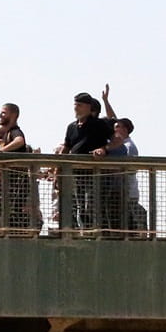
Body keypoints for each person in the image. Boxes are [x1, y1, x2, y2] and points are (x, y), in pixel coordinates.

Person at [58, 92, 116, 230]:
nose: (76, 108)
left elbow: (117, 140)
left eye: (80, 105)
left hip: (95, 174)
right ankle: (86, 233)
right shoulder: (71, 127)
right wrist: (57, 169)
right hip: (77, 174)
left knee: (93, 205)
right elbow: (66, 148)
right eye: (75, 105)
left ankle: (101, 234)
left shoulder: (99, 124)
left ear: (88, 107)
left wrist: (104, 149)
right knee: (80, 207)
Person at [0, 103, 35, 231]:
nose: (0, 115)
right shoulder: (8, 133)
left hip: (17, 181)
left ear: (13, 115)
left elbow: (19, 141)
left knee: (14, 214)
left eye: (4, 112)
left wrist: (2, 150)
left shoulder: (15, 131)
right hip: (7, 181)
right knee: (2, 210)